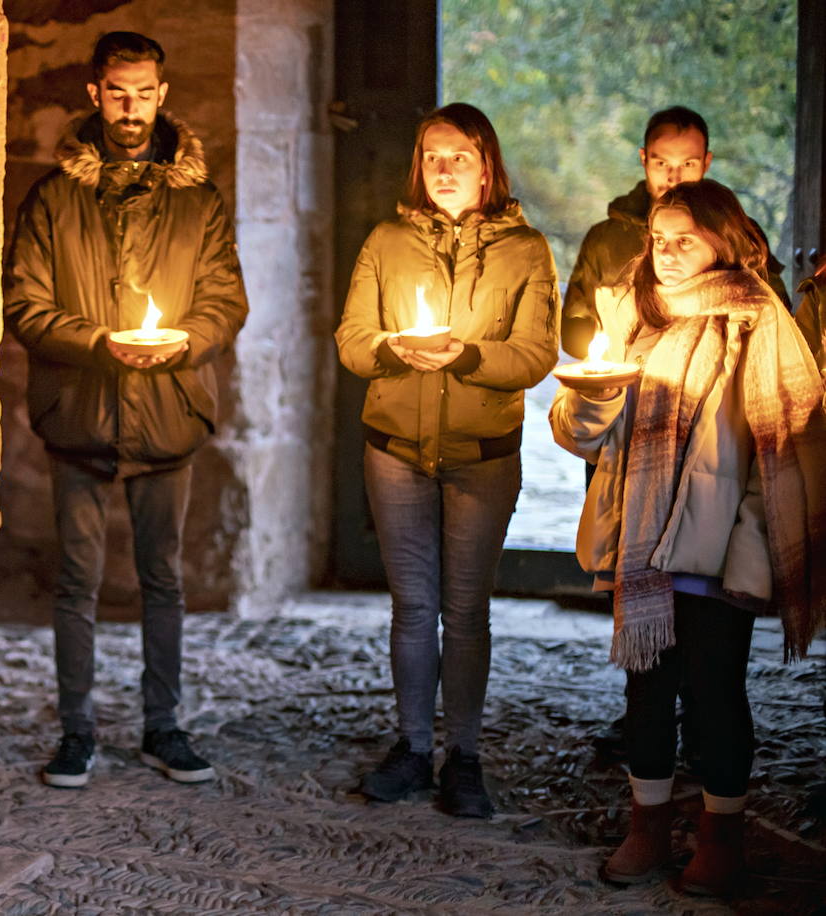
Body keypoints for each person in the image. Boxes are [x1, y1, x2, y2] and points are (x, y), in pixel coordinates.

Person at [549, 180, 826, 896]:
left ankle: (720, 837)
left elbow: (785, 439)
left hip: (719, 542)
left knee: (715, 694)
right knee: (646, 690)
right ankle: (647, 829)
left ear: (722, 242)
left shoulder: (756, 319)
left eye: (685, 240)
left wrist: (752, 539)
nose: (666, 254)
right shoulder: (630, 313)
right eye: (658, 240)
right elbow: (576, 434)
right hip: (644, 542)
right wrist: (594, 394)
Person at [4, 31, 248, 788]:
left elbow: (225, 300)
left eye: (144, 93)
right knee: (76, 580)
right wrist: (100, 343)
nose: (131, 108)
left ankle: (162, 727)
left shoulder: (197, 200)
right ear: (94, 95)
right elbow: (24, 303)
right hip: (80, 412)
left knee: (163, 578)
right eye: (118, 93)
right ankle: (77, 731)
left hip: (167, 412)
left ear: (162, 95)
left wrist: (180, 345)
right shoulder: (54, 197)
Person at [335, 103, 560, 818]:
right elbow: (350, 338)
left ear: (487, 164)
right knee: (412, 607)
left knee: (466, 612)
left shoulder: (526, 250)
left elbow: (534, 354)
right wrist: (387, 350)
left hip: (482, 458)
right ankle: (410, 747)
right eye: (432, 156)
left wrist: (464, 355)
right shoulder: (387, 239)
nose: (444, 169)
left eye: (459, 155)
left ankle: (463, 755)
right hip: (396, 452)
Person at [562, 105, 789, 361]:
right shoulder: (605, 239)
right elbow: (574, 330)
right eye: (662, 163)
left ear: (706, 162)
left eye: (687, 163)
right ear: (644, 158)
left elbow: (777, 321)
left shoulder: (737, 233)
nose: (674, 177)